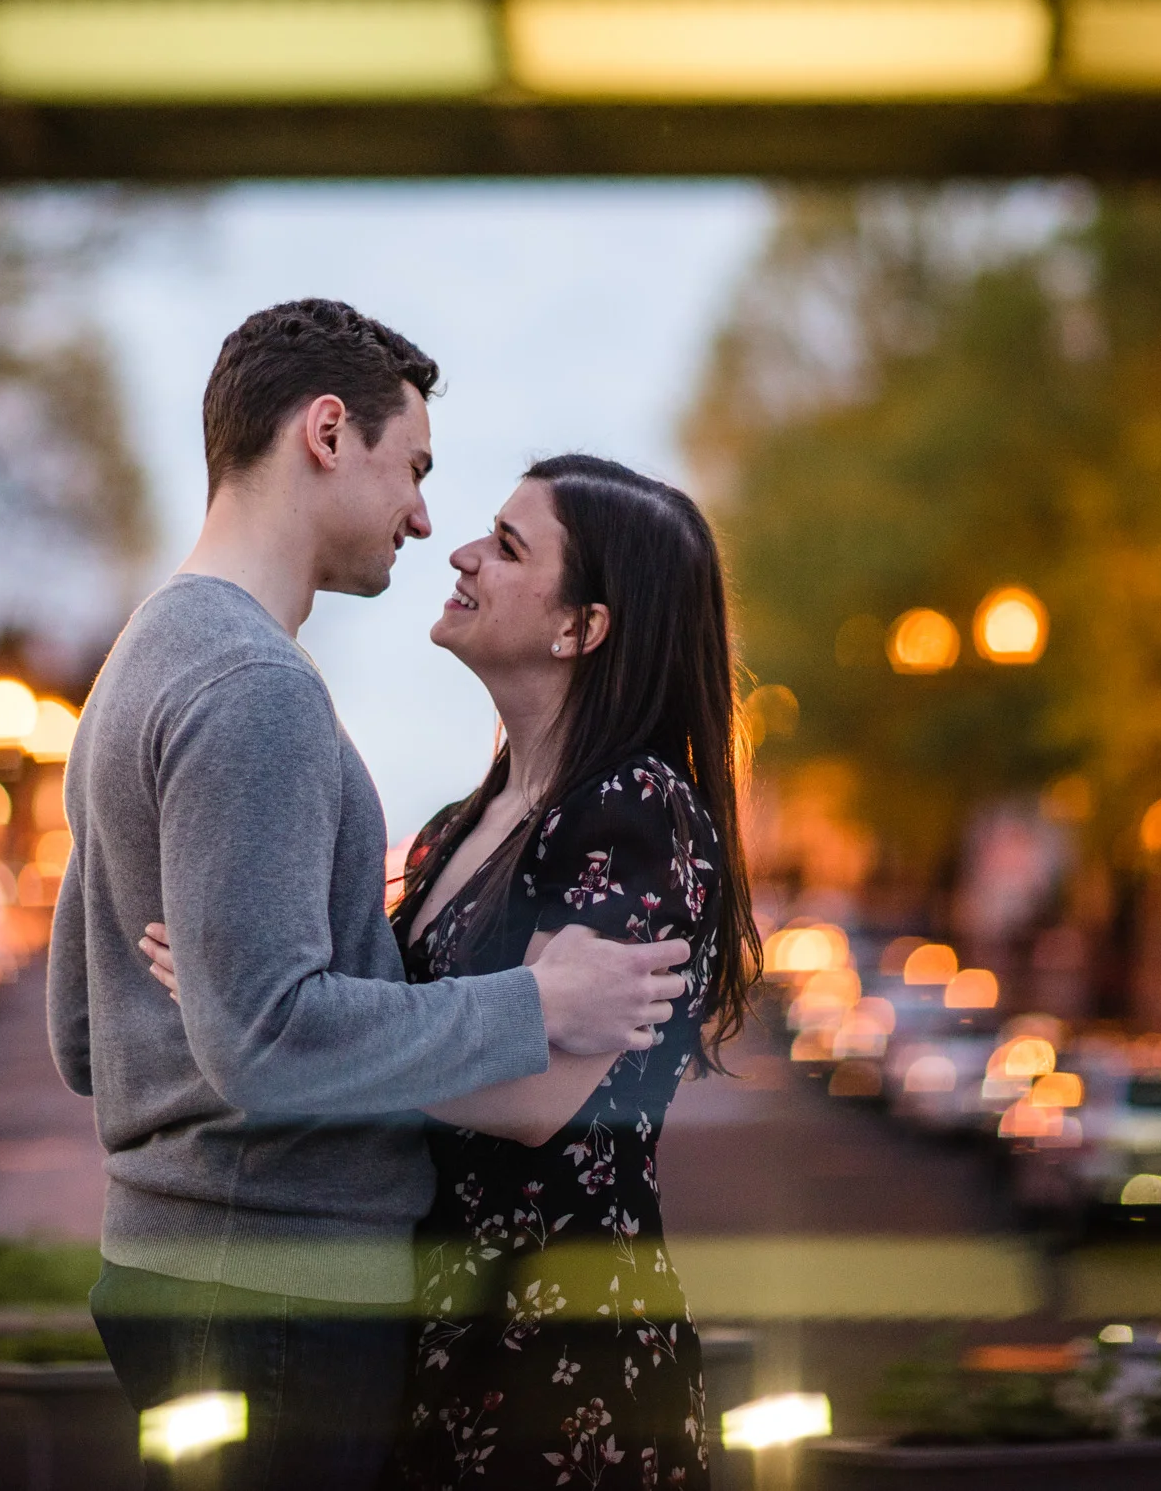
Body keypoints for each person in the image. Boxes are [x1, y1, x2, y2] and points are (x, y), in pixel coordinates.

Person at [48, 301, 691, 1491]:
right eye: (417, 468)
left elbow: (84, 1032)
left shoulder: (142, 657)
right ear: (328, 433)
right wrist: (532, 1004)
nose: (427, 520)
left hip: (196, 1273)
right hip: (276, 1283)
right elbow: (266, 1034)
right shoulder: (257, 688)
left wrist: (233, 1007)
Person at [146, 453, 758, 1489]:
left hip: (557, 1363)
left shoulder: (639, 815)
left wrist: (277, 1035)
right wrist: (251, 995)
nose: (462, 552)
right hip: (428, 1331)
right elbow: (393, 1018)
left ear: (583, 627)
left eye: (509, 547)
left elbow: (528, 1097)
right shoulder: (455, 828)